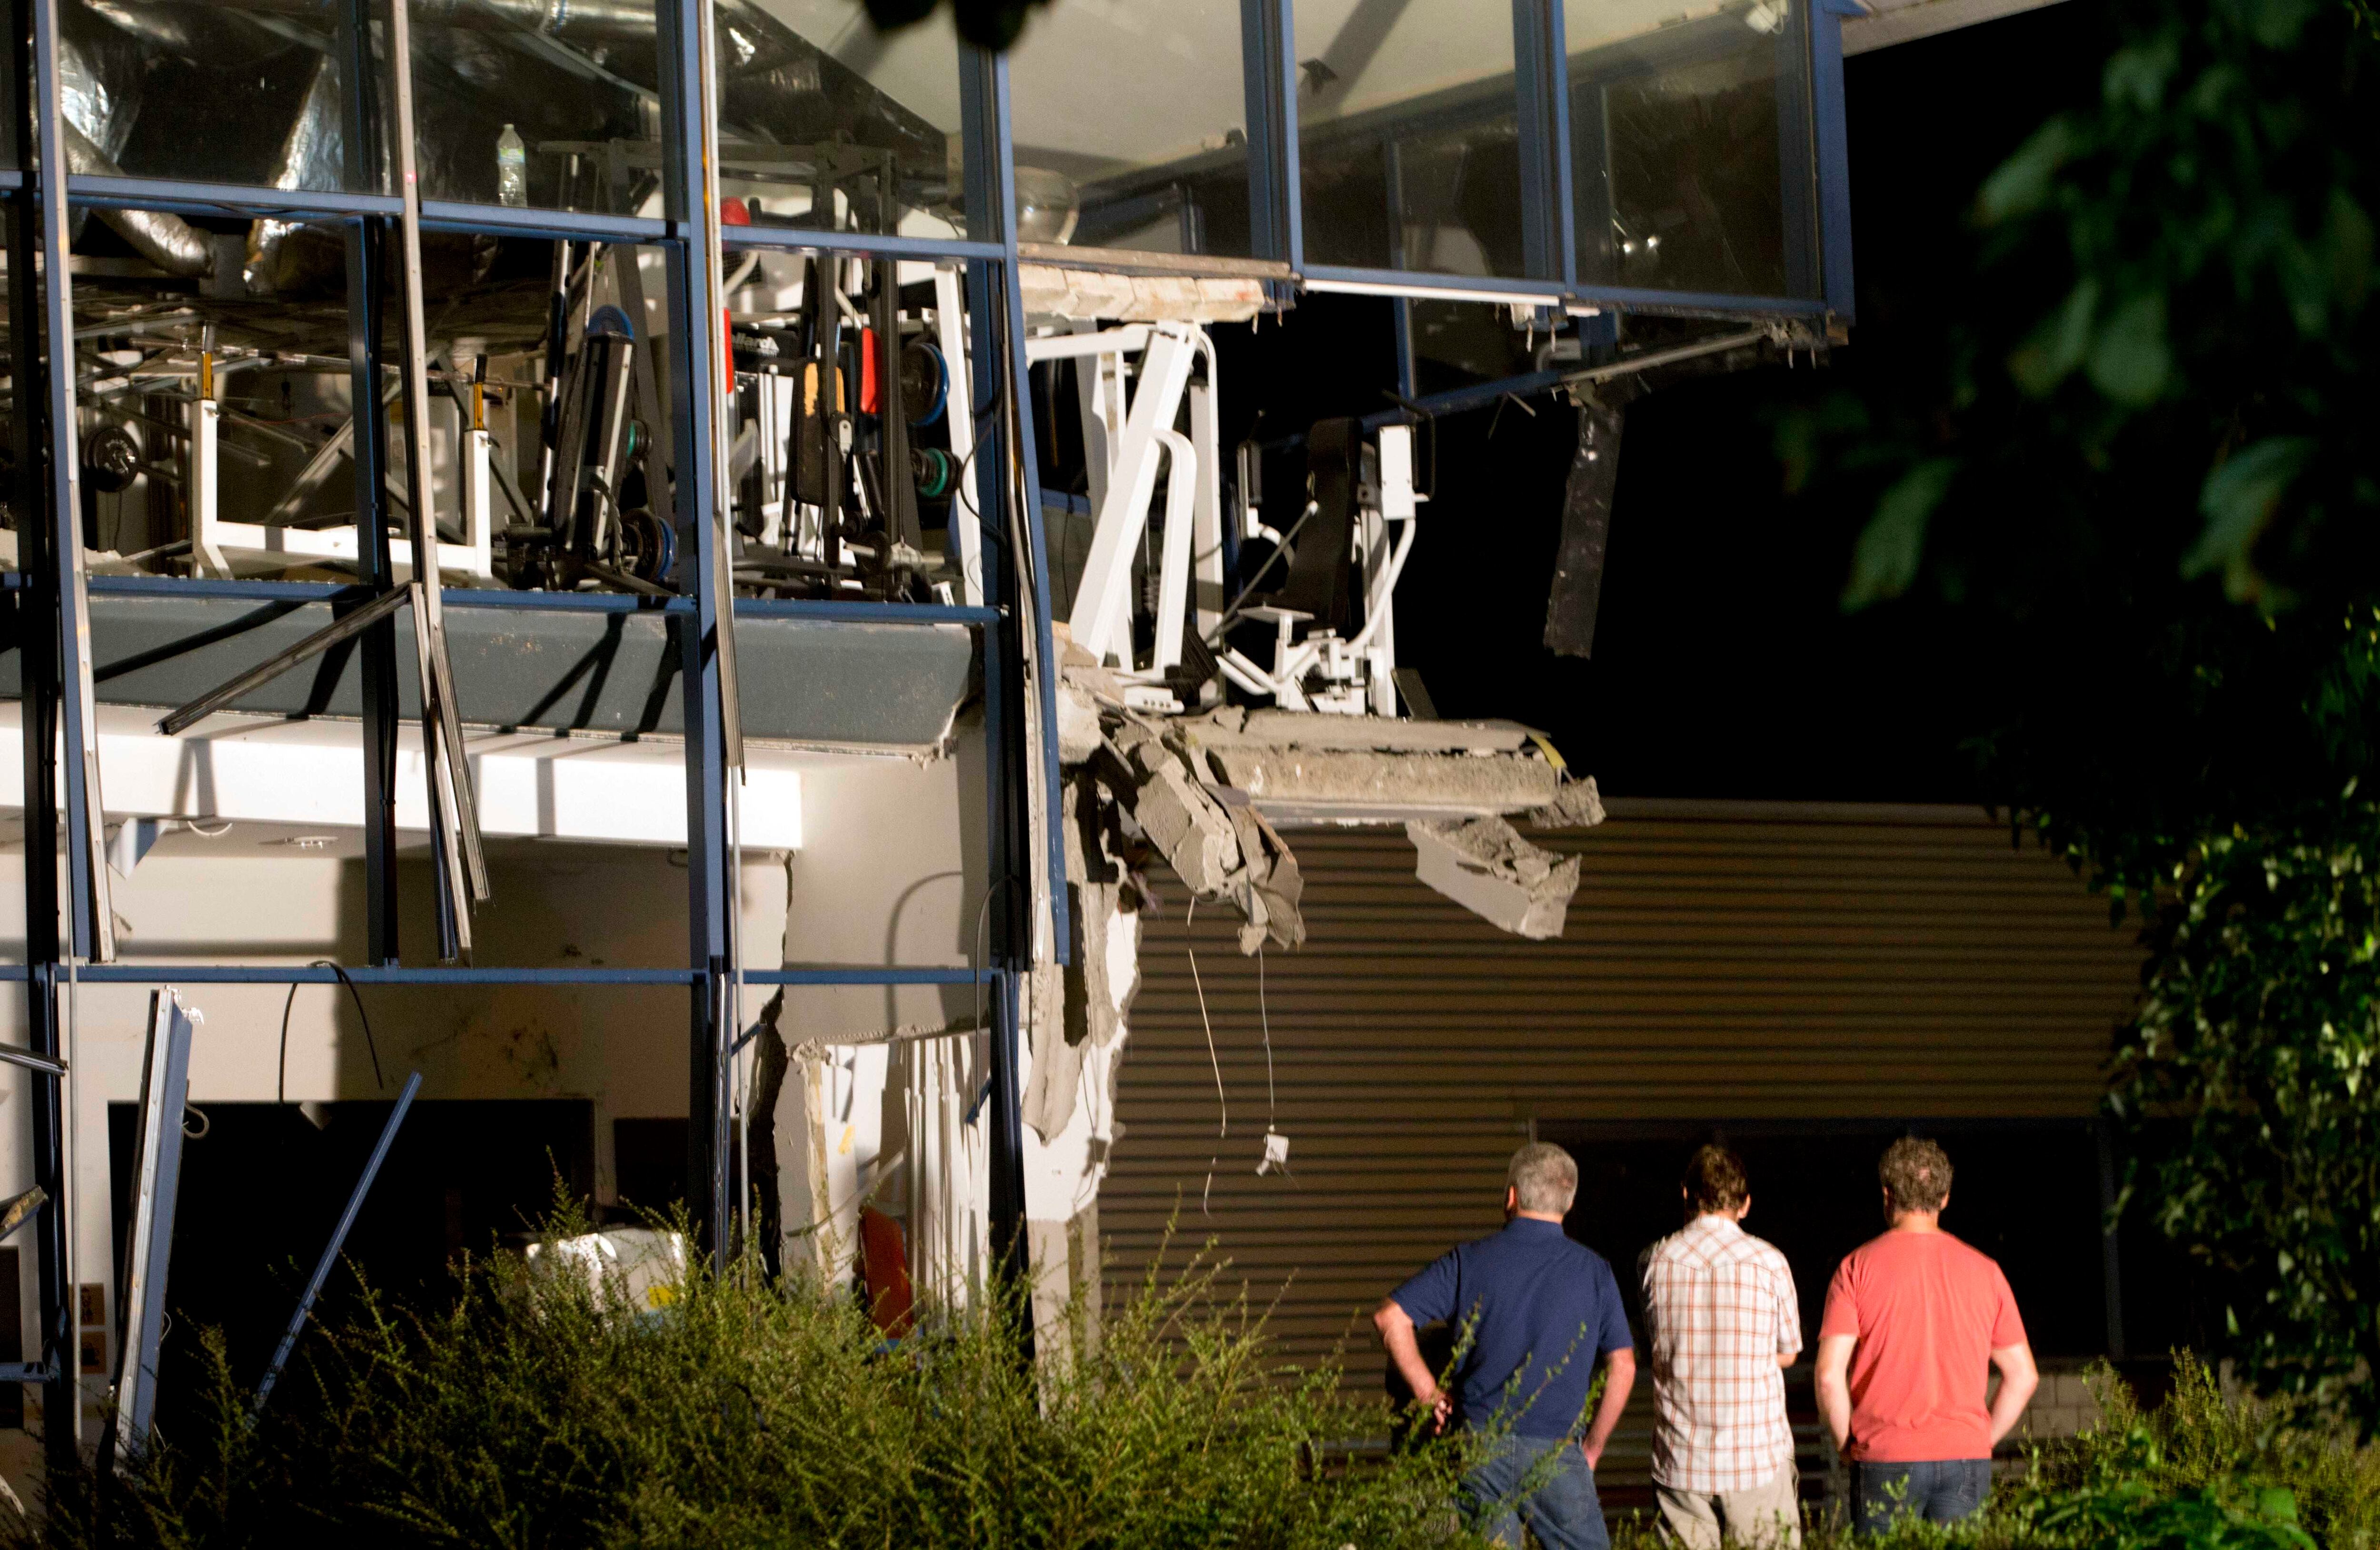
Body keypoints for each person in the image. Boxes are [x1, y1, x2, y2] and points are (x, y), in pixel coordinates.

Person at [1374, 1143, 1636, 1550]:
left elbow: (1391, 1318)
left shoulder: (1469, 1261)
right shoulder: (1594, 1272)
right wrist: (1592, 1449)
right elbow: (1623, 1367)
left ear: (1511, 1195)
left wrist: (1429, 1394)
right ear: (1568, 1203)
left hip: (1480, 1449)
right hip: (1557, 1450)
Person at [1814, 1138, 2038, 1534]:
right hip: (1965, 1458)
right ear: (1946, 1198)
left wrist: (1845, 1444)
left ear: (1887, 1195)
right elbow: (2023, 1376)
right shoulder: (1986, 1271)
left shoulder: (1855, 1268)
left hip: (1883, 1458)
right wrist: (1981, 1439)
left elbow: (1829, 1375)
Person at [1640, 1144, 1804, 1549]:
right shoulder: (1770, 1262)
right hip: (1757, 1459)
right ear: (1745, 1204)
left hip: (1682, 1460)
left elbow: (1660, 1346)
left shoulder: (1655, 1261)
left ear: (1686, 1195)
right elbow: (1788, 1352)